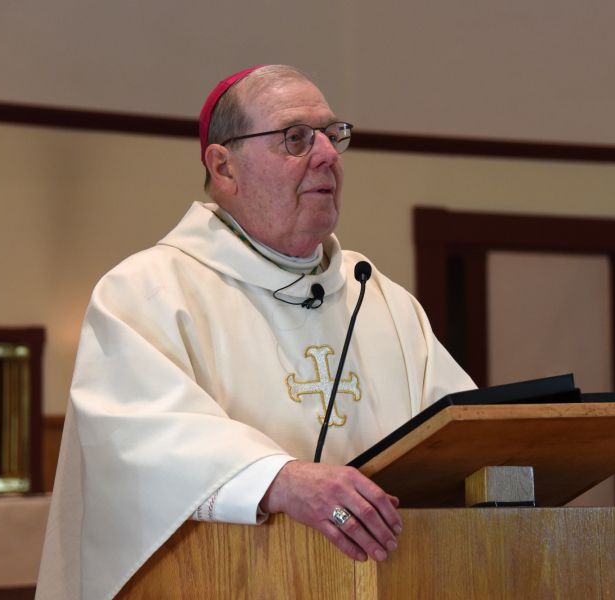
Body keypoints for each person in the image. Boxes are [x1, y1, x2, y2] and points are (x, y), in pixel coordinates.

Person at [35, 64, 475, 600]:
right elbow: (137, 439)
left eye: (333, 135)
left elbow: (462, 437)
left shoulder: (379, 299)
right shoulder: (147, 292)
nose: (328, 155)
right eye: (295, 138)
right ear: (224, 167)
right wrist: (278, 480)